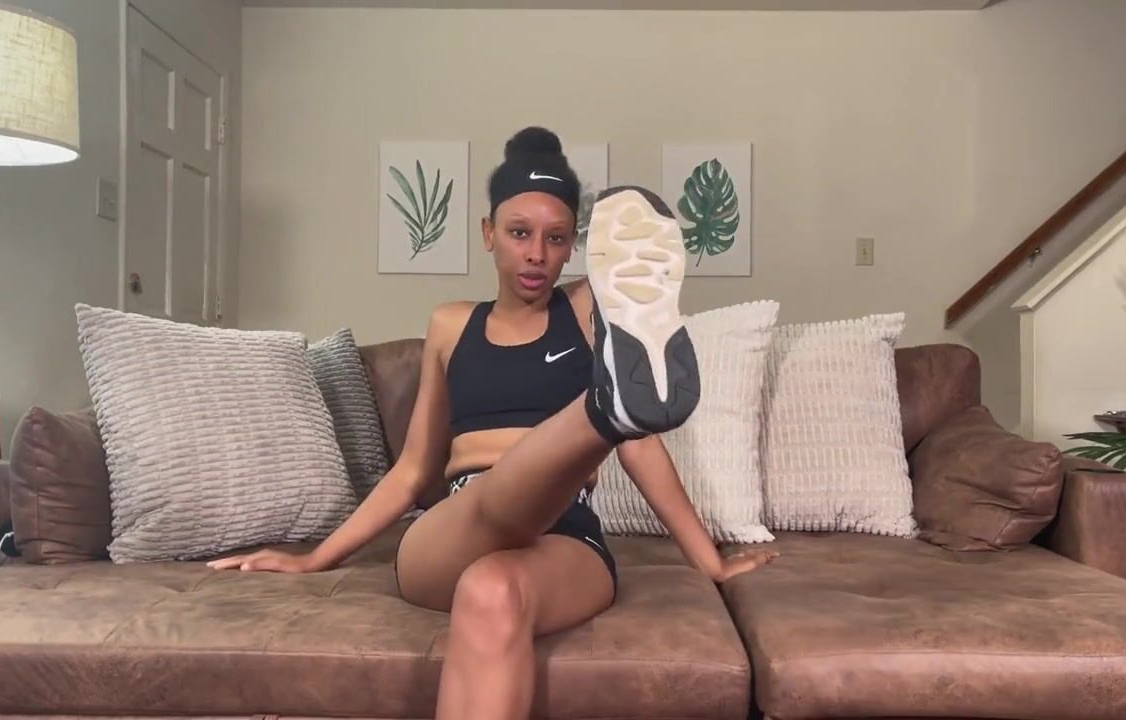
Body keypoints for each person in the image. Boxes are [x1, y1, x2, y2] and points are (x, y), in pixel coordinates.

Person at [208, 126, 778, 719]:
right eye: (519, 233)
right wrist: (315, 559)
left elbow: (641, 449)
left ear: (572, 248)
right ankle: (603, 413)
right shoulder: (451, 325)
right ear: (488, 233)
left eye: (556, 238)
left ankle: (611, 412)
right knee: (491, 498)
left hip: (567, 534)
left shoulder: (588, 311)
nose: (536, 254)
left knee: (492, 590)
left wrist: (710, 562)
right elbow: (413, 471)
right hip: (453, 529)